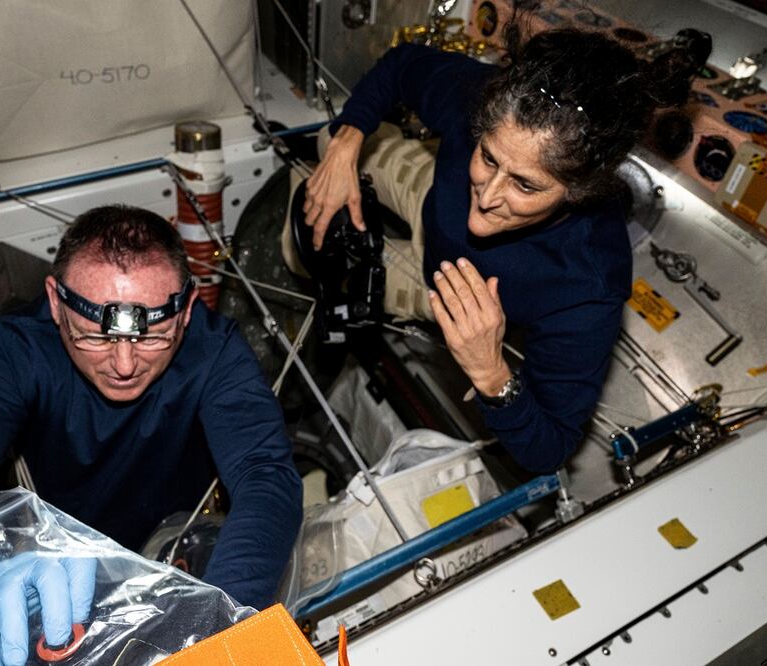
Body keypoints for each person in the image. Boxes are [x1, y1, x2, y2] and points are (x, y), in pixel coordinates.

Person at [0, 205, 303, 665]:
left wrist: (220, 626)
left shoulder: (215, 351)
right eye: (95, 337)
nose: (124, 365)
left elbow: (265, 476)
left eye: (153, 336)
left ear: (185, 311)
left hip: (178, 549)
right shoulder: (14, 351)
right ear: (56, 302)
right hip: (53, 571)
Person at [297, 23, 701, 472]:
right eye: (488, 157)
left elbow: (551, 448)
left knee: (305, 252)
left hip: (449, 295)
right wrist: (347, 141)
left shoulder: (588, 285)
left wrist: (490, 372)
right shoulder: (496, 104)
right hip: (430, 190)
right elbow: (401, 64)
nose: (486, 199)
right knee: (327, 138)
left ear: (579, 192)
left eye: (525, 185)